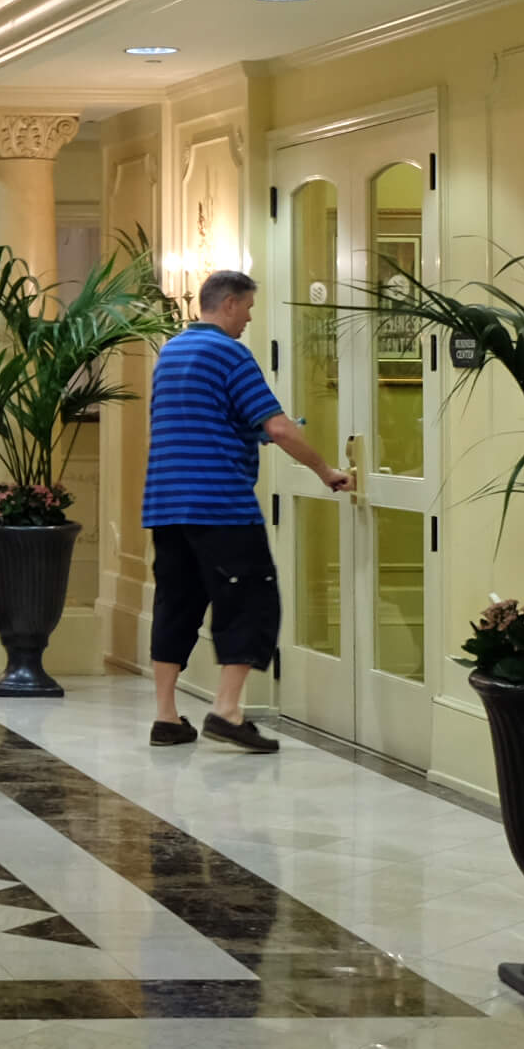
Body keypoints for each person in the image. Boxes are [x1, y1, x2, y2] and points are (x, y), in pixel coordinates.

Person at [144, 268, 352, 752]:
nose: (249, 320)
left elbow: (200, 423)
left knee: (175, 604)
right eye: (249, 309)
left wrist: (246, 431)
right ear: (231, 303)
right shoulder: (229, 352)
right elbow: (278, 428)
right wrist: (326, 471)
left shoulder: (171, 352)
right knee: (251, 601)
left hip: (166, 502)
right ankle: (228, 710)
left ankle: (166, 717)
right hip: (220, 503)